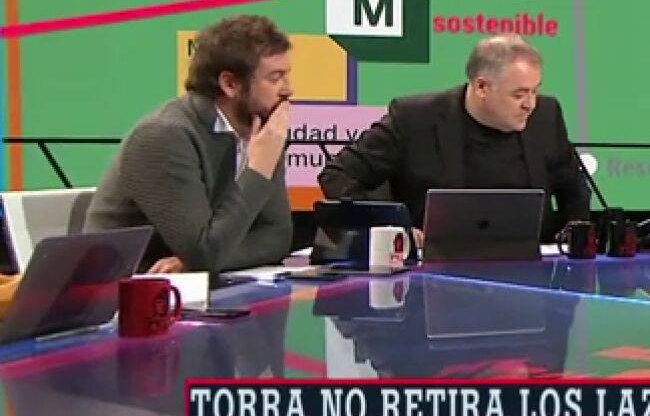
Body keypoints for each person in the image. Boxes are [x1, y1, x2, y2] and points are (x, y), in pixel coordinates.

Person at [318, 35, 590, 242]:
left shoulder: (546, 116)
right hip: (435, 277)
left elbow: (574, 189)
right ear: (481, 87)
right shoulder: (414, 119)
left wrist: (574, 236)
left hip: (532, 271)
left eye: (535, 91)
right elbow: (338, 175)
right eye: (518, 95)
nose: (530, 104)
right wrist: (392, 229)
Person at [84, 15, 294, 274]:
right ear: (230, 84)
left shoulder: (261, 130)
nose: (288, 89)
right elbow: (205, 252)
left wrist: (194, 262)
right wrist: (258, 170)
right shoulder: (163, 136)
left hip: (197, 287)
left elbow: (276, 236)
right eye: (275, 78)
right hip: (123, 288)